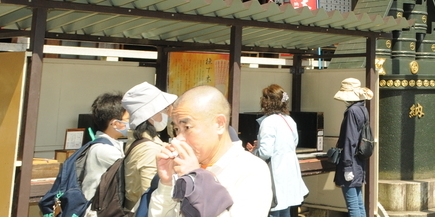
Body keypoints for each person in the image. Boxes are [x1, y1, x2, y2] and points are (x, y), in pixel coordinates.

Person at [150, 85, 272, 217]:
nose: (178, 139)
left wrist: (197, 180)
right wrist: (167, 184)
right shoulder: (183, 167)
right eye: (177, 129)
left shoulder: (251, 169)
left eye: (187, 127)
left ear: (219, 124)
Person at [248, 84, 309, 217]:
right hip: (289, 171)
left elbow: (265, 152)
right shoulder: (289, 120)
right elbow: (294, 143)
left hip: (275, 173)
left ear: (266, 102)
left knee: (273, 210)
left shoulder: (268, 122)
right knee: (285, 210)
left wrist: (254, 151)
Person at [122, 82, 176, 209]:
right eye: (164, 109)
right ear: (150, 114)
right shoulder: (149, 149)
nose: (168, 114)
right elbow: (151, 193)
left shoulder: (139, 140)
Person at [334, 78, 374, 217]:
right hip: (359, 162)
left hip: (350, 162)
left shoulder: (351, 111)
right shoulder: (362, 109)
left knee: (352, 205)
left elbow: (349, 140)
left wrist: (347, 166)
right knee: (358, 202)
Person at [81, 92, 128, 203]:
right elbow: (129, 173)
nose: (132, 122)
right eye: (128, 119)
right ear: (115, 124)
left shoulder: (105, 144)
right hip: (97, 208)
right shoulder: (104, 150)